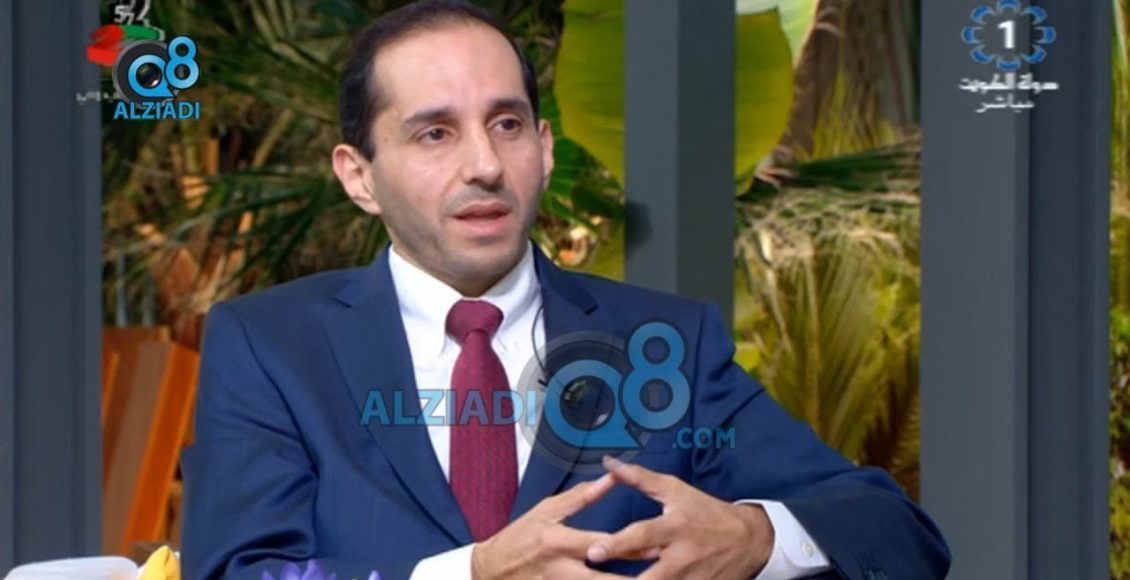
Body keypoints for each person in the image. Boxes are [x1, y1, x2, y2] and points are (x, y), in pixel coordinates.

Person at [179, 1, 951, 579]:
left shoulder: (664, 345)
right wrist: (473, 574)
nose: (484, 164)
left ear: (544, 149)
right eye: (435, 133)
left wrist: (754, 537)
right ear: (359, 177)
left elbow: (890, 528)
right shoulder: (271, 345)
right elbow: (240, 572)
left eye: (507, 124)